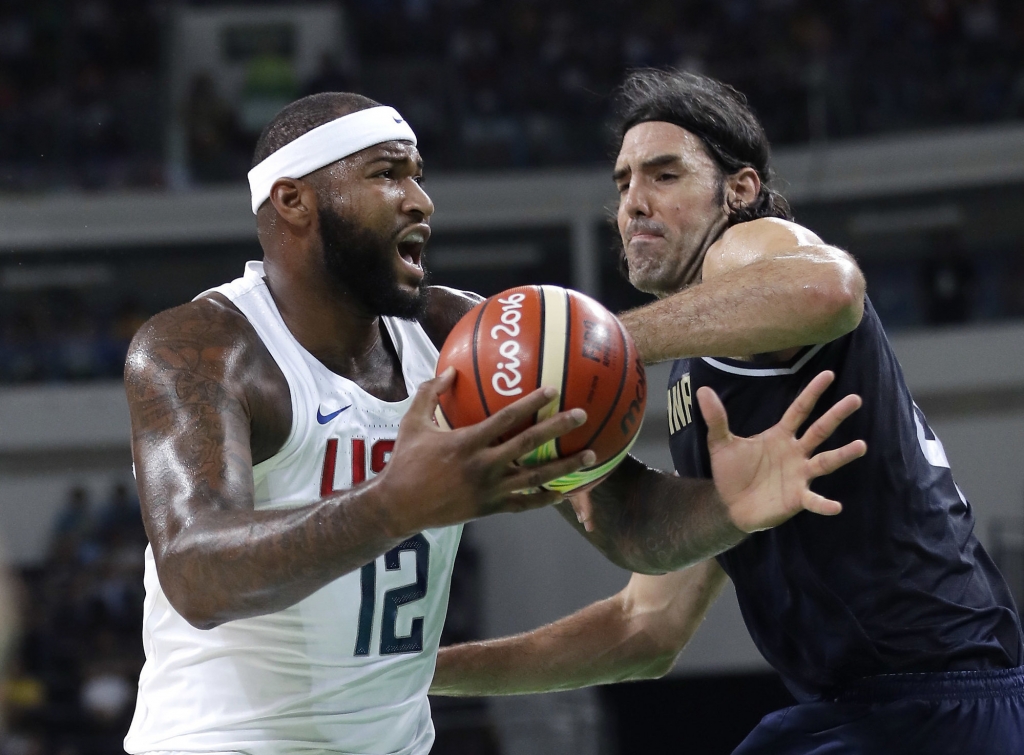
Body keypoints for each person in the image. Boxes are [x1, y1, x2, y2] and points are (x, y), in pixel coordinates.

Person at [121, 91, 863, 754]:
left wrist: (730, 505)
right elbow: (197, 572)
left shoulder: (460, 333)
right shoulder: (201, 346)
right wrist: (393, 503)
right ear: (293, 201)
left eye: (418, 174)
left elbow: (628, 524)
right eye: (388, 174)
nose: (421, 200)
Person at [431, 70, 1024, 754]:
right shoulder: (700, 369)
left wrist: (593, 350)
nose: (634, 202)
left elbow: (830, 287)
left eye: (663, 175)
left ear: (737, 189)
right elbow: (642, 627)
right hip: (877, 713)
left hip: (932, 706)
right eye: (623, 182)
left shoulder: (745, 247)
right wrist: (423, 675)